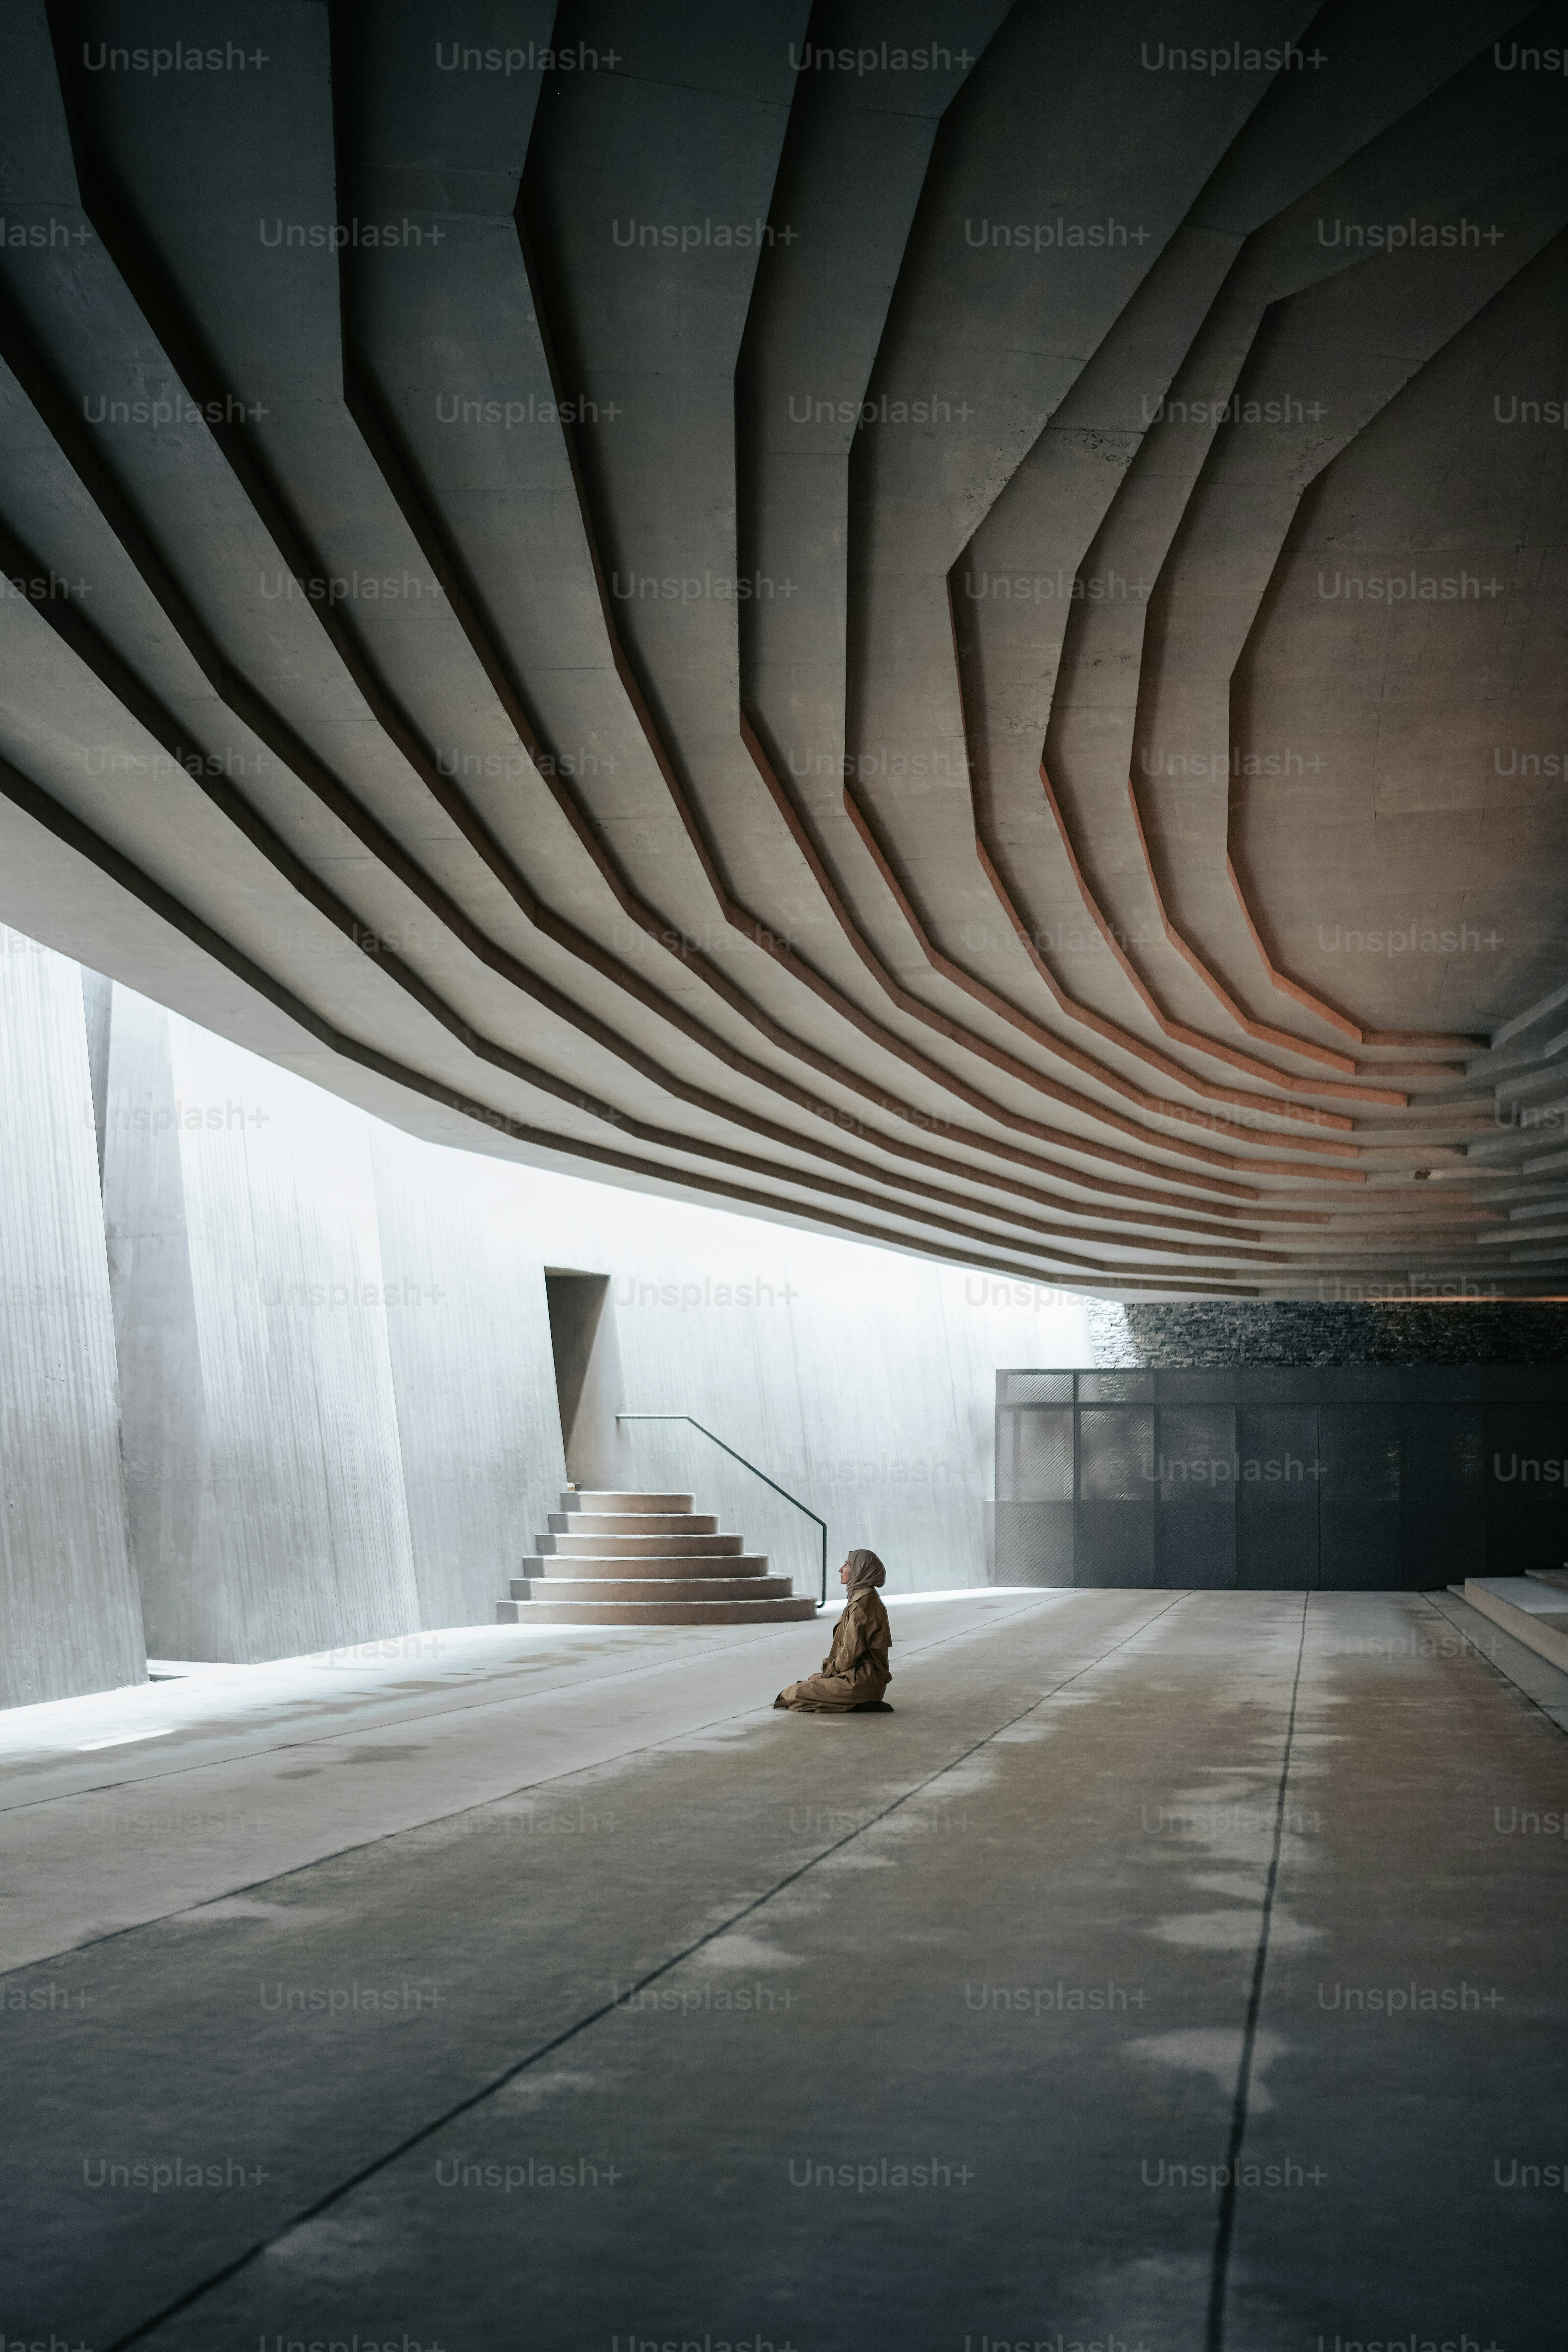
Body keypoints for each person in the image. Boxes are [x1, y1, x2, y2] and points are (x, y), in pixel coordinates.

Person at [773, 1549, 893, 1713]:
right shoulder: (864, 1599)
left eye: (846, 1565)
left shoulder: (862, 1606)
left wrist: (826, 1675)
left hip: (861, 1683)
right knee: (804, 1688)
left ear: (860, 1571)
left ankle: (858, 1702)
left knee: (794, 1694)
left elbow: (850, 1655)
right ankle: (855, 1702)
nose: (841, 1570)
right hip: (860, 1678)